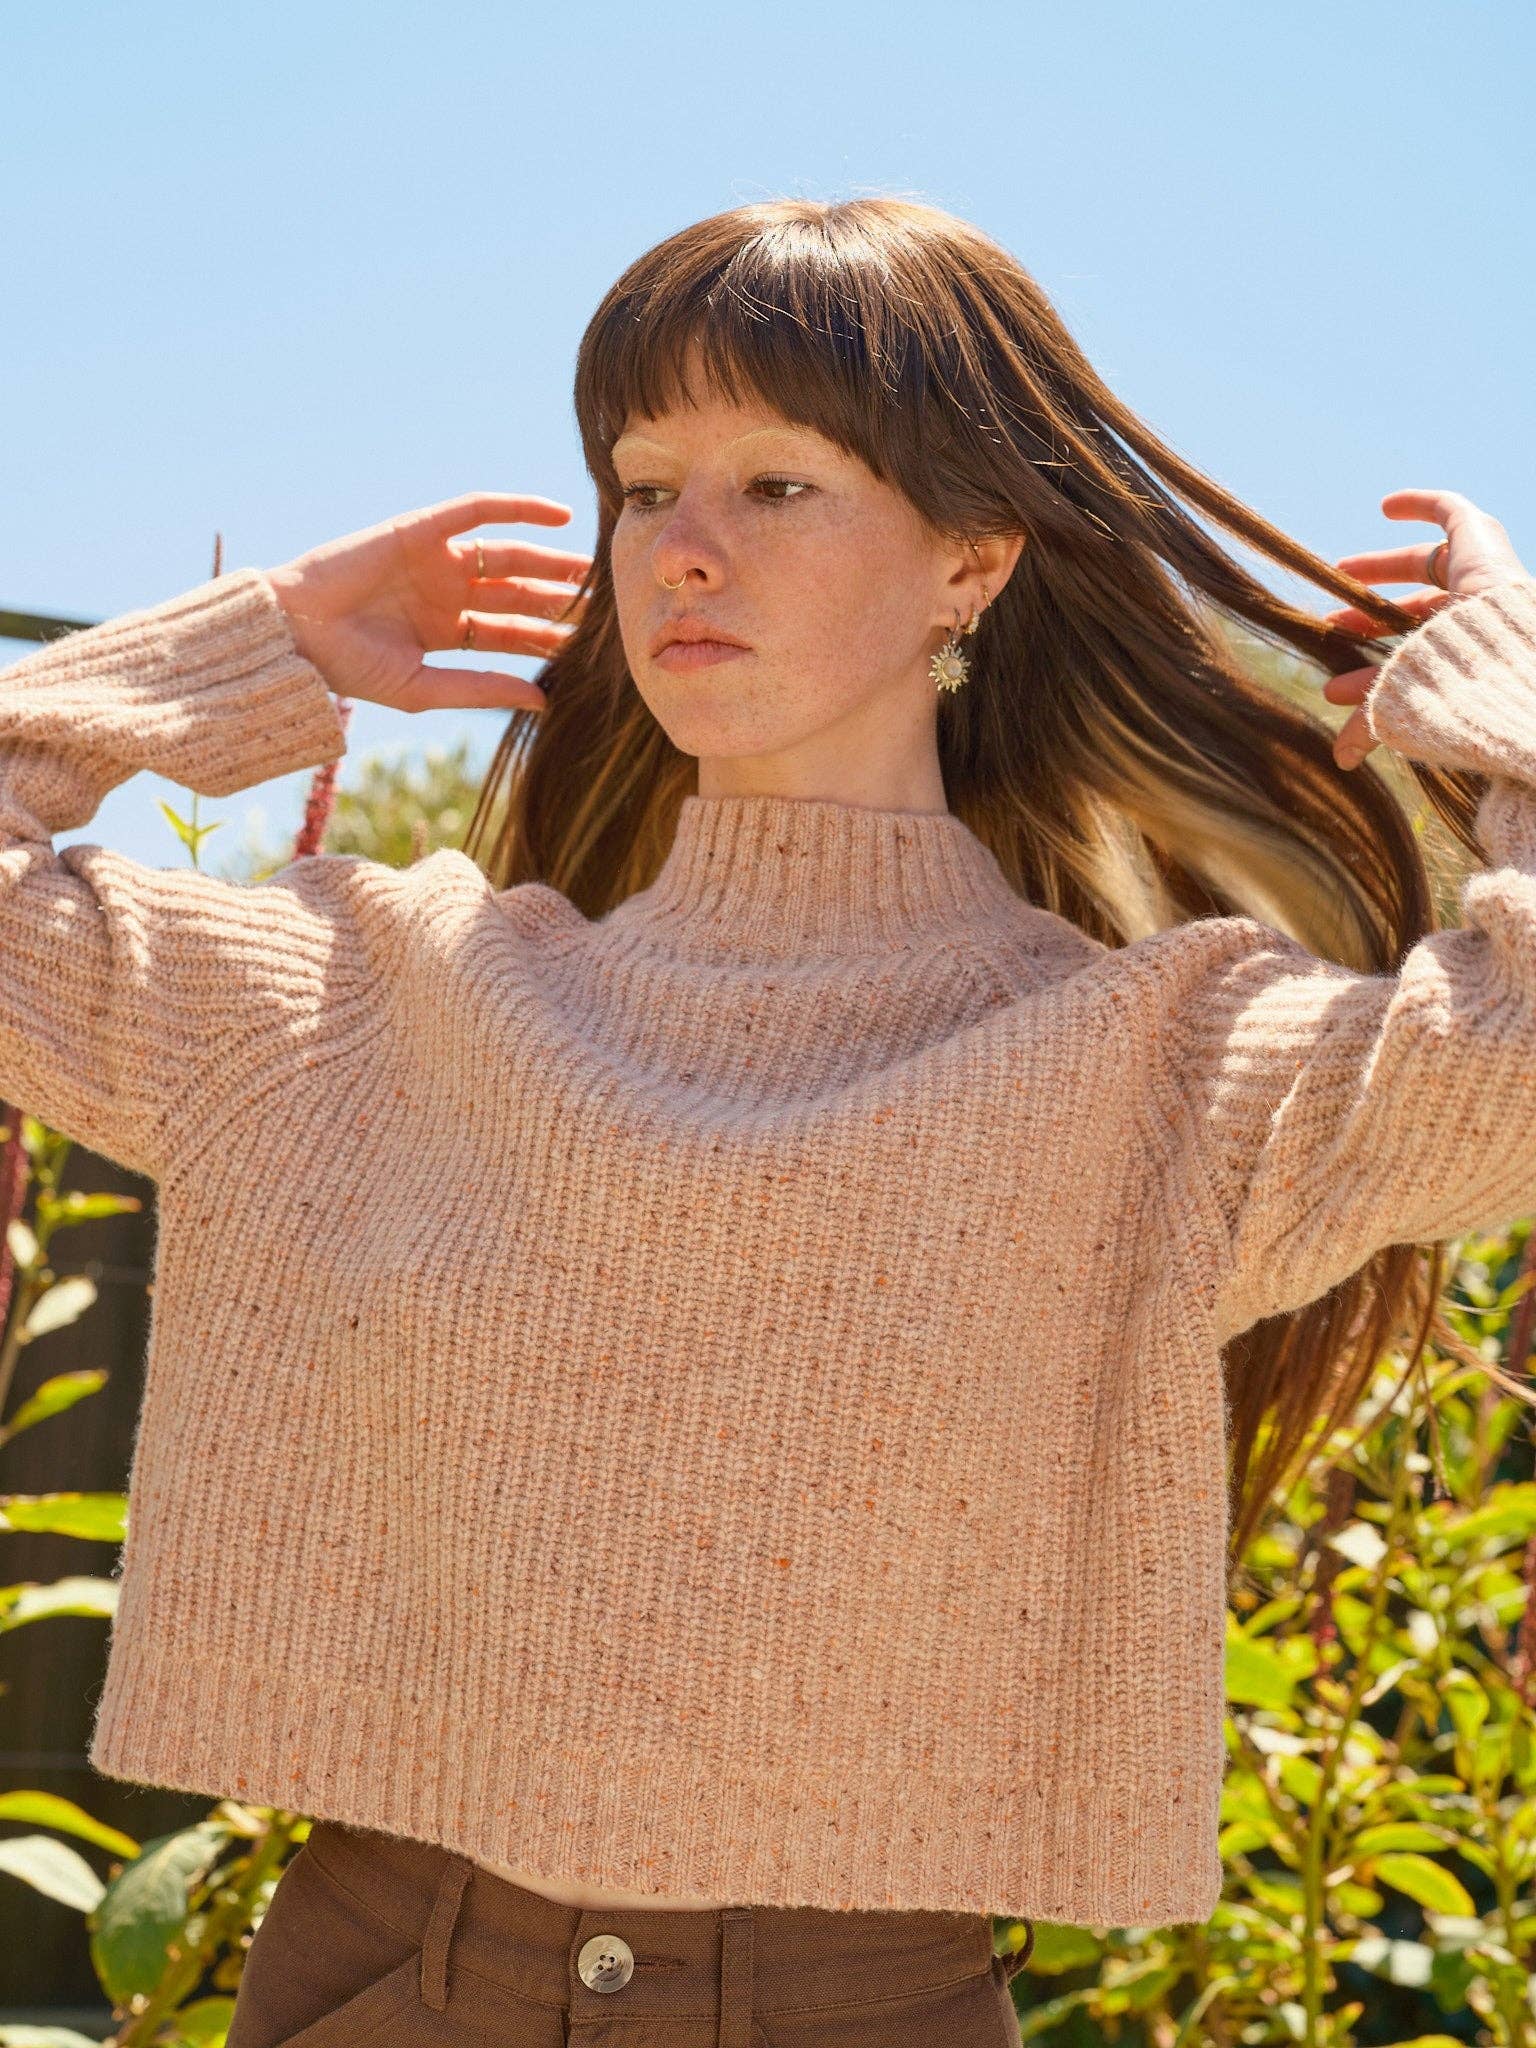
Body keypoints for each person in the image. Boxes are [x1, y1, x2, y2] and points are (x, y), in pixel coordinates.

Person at [2, 194, 1532, 2047]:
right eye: (645, 490)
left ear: (974, 557)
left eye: (777, 488)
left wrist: (1508, 723)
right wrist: (253, 647)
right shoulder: (373, 1000)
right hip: (383, 1977)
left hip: (851, 2004)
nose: (682, 556)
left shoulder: (1159, 1071)